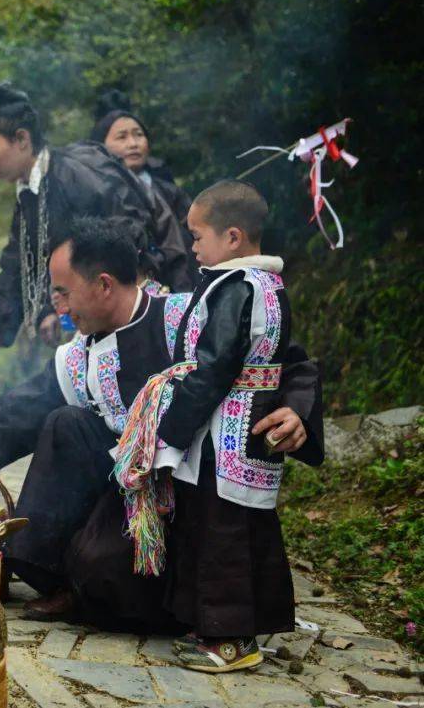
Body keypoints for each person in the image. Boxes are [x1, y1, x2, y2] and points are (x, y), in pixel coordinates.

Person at [0, 216, 322, 624]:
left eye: (64, 293)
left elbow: (285, 359)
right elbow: (4, 420)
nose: (61, 309)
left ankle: (126, 591)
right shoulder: (78, 358)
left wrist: (295, 408)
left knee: (104, 572)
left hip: (182, 496)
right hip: (118, 492)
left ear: (104, 285)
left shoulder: (188, 316)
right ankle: (61, 575)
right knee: (65, 423)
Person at [135, 180, 318, 672]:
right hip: (244, 429)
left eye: (197, 236)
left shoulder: (237, 288)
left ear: (232, 237)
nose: (192, 246)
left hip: (227, 433)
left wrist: (170, 431)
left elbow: (213, 366)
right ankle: (215, 627)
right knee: (236, 525)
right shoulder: (267, 284)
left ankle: (231, 640)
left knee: (223, 532)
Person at [0, 84, 190, 396]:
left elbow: (129, 232)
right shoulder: (28, 194)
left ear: (21, 139)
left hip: (133, 312)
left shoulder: (77, 172)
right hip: (94, 317)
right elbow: (18, 266)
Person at [91, 105, 197, 284]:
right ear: (102, 146)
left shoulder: (169, 191)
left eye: (138, 134)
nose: (133, 143)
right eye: (121, 137)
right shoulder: (97, 195)